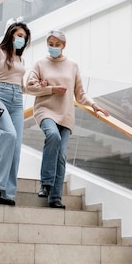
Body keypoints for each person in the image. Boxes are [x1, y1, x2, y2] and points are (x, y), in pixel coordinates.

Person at [26, 29, 109, 208]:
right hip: (45, 110)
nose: (53, 48)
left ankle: (55, 197)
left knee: (61, 156)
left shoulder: (72, 66)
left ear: (63, 45)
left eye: (57, 45)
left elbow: (80, 94)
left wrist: (94, 105)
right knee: (53, 136)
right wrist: (50, 89)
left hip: (66, 114)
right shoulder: (40, 64)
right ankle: (46, 183)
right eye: (51, 44)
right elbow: (29, 87)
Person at [0, 18, 31, 206]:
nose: (22, 39)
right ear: (11, 34)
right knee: (9, 135)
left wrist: (40, 86)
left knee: (17, 147)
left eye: (24, 37)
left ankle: (7, 194)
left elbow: (21, 87)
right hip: (0, 96)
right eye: (19, 35)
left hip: (17, 100)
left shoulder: (21, 58)